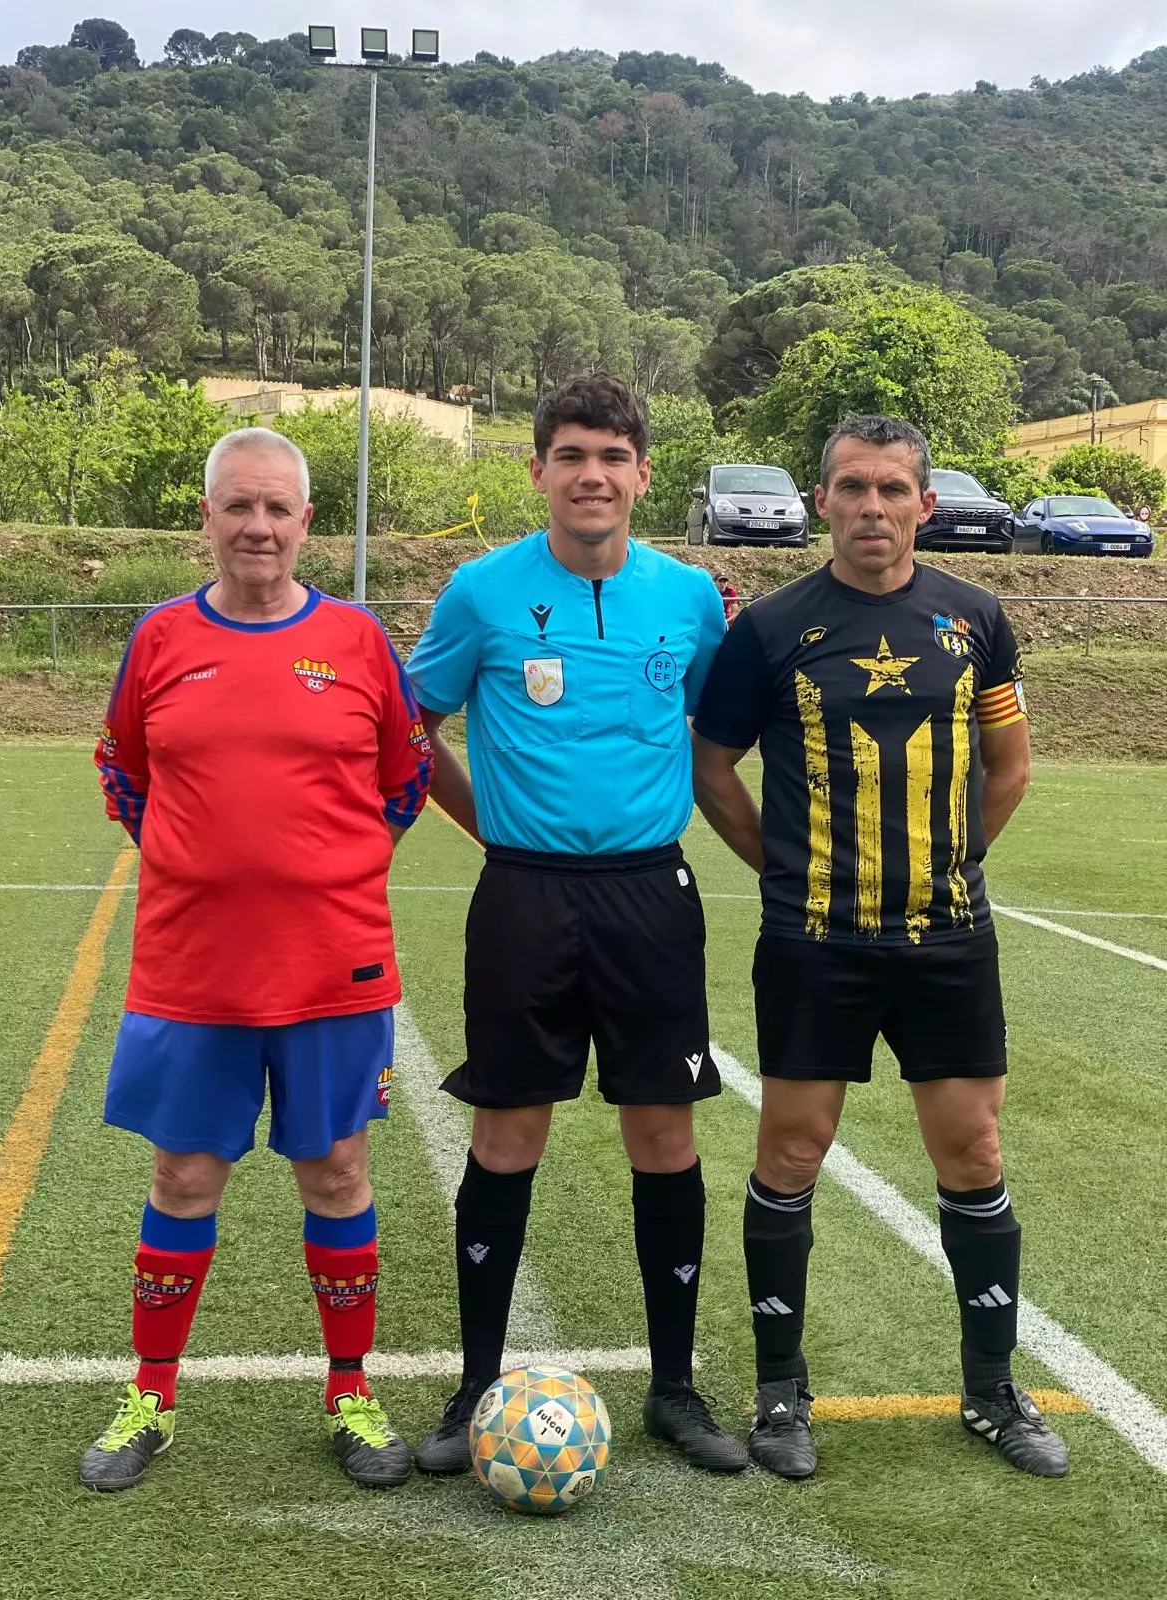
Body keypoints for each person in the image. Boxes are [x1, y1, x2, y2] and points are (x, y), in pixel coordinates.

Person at [691, 414, 1069, 1481]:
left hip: (949, 938)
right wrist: (778, 867)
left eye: (892, 489)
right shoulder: (768, 629)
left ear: (925, 505)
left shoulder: (976, 618)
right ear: (821, 502)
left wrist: (952, 862)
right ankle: (779, 1394)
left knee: (975, 1155)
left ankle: (992, 1389)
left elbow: (1010, 764)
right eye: (851, 487)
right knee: (793, 1153)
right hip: (815, 939)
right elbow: (711, 767)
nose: (871, 507)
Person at [403, 373, 746, 1475]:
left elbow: (714, 729)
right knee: (508, 1135)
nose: (591, 474)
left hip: (652, 894)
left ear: (643, 473)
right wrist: (488, 823)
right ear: (538, 468)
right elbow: (413, 725)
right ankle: (472, 1390)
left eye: (613, 455)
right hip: (524, 896)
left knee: (665, 1134)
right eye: (571, 455)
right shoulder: (480, 591)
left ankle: (677, 1390)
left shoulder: (692, 597)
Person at [82, 427, 432, 1493]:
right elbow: (123, 770)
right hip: (194, 971)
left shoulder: (360, 643)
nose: (258, 527)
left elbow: (404, 777)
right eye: (238, 506)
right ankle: (152, 1392)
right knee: (184, 1175)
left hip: (334, 968)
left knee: (336, 1171)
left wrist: (329, 866)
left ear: (306, 522)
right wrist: (205, 867)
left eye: (277, 508)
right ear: (207, 517)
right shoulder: (157, 640)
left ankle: (349, 1391)